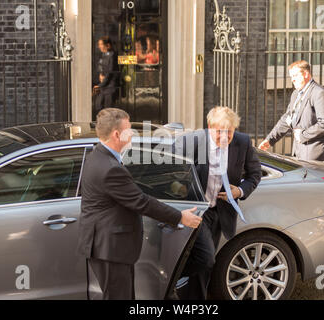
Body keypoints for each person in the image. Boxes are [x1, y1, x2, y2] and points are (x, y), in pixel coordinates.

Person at [77, 108, 202, 300]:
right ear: (117, 134)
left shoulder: (98, 155)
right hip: (110, 248)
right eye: (129, 130)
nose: (132, 134)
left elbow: (128, 191)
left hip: (106, 246)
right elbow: (141, 202)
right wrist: (180, 216)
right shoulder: (110, 168)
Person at [173, 106, 262, 300]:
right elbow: (172, 170)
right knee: (206, 259)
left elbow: (255, 174)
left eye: (228, 132)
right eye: (219, 131)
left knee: (206, 265)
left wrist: (240, 190)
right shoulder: (192, 141)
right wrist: (179, 187)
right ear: (209, 127)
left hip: (218, 212)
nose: (224, 136)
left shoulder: (243, 142)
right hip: (195, 210)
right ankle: (169, 278)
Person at [258, 60, 324, 161]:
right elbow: (287, 119)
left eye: (295, 76)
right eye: (291, 77)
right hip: (298, 150)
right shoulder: (296, 94)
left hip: (313, 150)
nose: (292, 80)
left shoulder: (318, 93)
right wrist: (270, 140)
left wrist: (303, 135)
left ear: (306, 74)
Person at [93, 36, 119, 114]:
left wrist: (101, 84)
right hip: (103, 87)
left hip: (110, 87)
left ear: (108, 45)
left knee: (109, 110)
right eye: (99, 45)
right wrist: (100, 75)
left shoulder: (113, 56)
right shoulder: (103, 55)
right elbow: (101, 67)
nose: (99, 46)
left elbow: (110, 72)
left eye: (101, 44)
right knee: (98, 106)